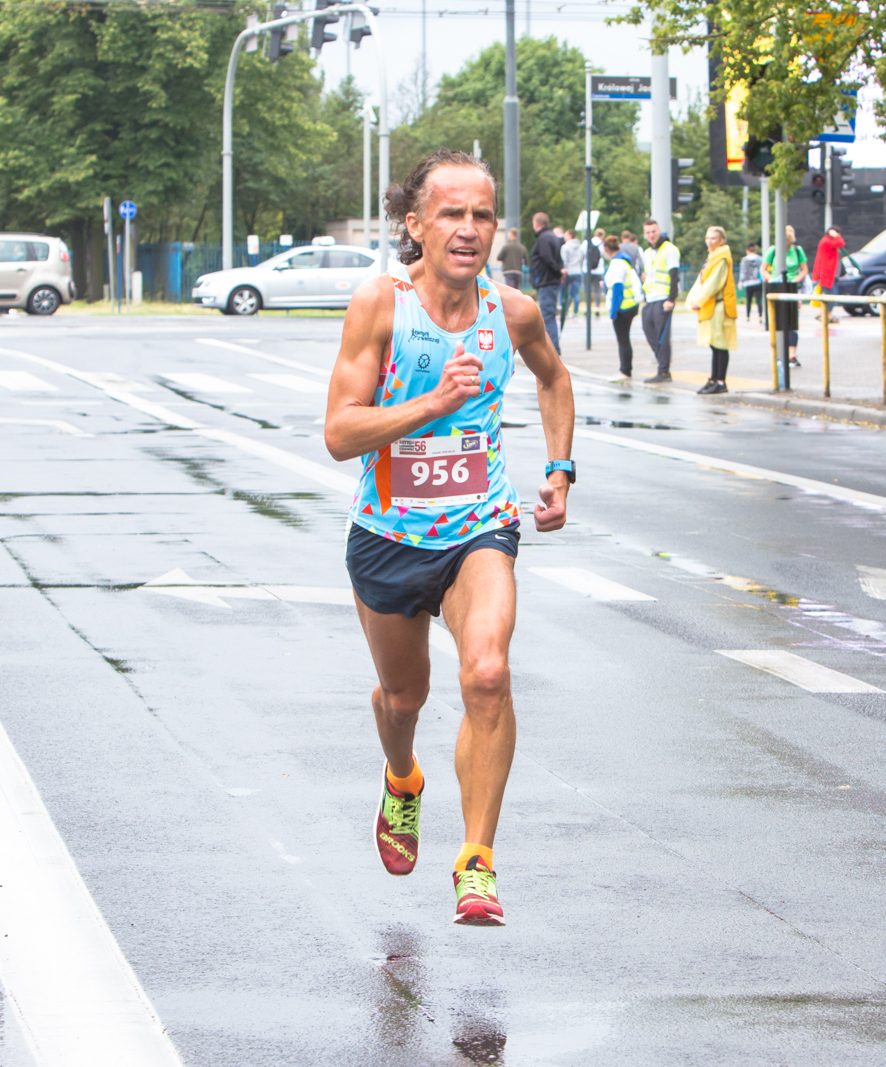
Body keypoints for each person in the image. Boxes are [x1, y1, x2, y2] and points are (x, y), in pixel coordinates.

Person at [325, 149, 575, 927]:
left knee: (489, 673)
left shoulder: (515, 312)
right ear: (415, 224)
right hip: (389, 536)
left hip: (480, 527)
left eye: (482, 215)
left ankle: (476, 861)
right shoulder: (380, 305)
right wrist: (432, 404)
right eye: (451, 214)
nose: (469, 230)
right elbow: (340, 433)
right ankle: (402, 780)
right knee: (405, 696)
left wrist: (561, 467)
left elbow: (554, 379)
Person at [688, 226, 738, 394]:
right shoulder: (713, 257)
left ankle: (720, 381)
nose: (709, 241)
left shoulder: (721, 258)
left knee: (720, 344)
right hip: (712, 306)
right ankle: (713, 379)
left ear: (721, 240)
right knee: (714, 344)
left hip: (719, 306)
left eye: (713, 238)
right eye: (708, 238)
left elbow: (713, 284)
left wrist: (699, 300)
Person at [639, 218, 680, 383]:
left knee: (662, 337)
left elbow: (674, 276)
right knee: (649, 332)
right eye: (648, 233)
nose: (651, 235)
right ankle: (662, 363)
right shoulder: (647, 253)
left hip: (663, 299)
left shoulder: (669, 250)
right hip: (650, 298)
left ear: (659, 231)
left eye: (654, 232)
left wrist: (671, 299)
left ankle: (663, 371)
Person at [761, 225, 809, 367]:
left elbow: (804, 269)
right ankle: (777, 354)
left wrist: (795, 281)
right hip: (776, 287)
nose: (786, 244)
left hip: (792, 287)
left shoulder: (797, 250)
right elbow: (763, 269)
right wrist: (771, 279)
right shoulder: (773, 250)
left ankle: (792, 355)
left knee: (792, 322)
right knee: (777, 323)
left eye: (788, 241)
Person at [603, 234, 641, 379]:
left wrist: (613, 311)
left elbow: (618, 289)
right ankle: (625, 369)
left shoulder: (617, 264)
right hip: (629, 305)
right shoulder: (623, 261)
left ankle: (625, 371)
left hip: (623, 307)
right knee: (624, 339)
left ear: (607, 248)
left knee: (623, 340)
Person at [529, 212, 564, 354]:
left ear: (536, 223)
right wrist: (560, 271)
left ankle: (553, 349)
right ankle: (553, 347)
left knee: (547, 316)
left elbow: (547, 258)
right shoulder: (553, 237)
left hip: (545, 280)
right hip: (551, 280)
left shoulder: (543, 239)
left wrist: (557, 270)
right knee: (549, 314)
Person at [558, 228, 586, 328]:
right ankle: (575, 312)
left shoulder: (565, 247)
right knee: (576, 293)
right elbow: (582, 259)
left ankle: (565, 312)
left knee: (566, 293)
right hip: (578, 271)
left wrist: (564, 270)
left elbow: (564, 260)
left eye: (565, 235)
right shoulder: (580, 247)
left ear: (569, 236)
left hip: (568, 272)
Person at [813, 227, 845, 307]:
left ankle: (823, 314)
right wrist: (836, 236)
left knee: (830, 295)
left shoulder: (828, 241)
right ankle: (827, 315)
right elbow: (841, 243)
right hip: (828, 275)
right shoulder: (827, 241)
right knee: (830, 295)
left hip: (832, 274)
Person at [739, 241, 764, 326]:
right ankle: (760, 316)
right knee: (758, 300)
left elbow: (743, 271)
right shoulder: (760, 259)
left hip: (748, 282)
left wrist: (740, 282)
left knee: (749, 300)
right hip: (758, 282)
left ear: (747, 250)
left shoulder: (744, 260)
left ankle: (747, 316)